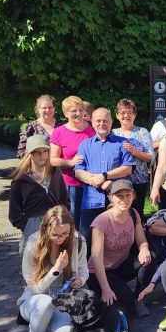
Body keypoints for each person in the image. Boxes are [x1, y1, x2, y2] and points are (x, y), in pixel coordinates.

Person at [17, 206, 88, 332]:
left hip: (63, 298)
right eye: (55, 234)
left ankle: (50, 329)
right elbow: (34, 288)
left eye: (65, 233)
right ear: (45, 229)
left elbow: (83, 268)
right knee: (45, 303)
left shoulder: (78, 241)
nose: (60, 239)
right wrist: (56, 270)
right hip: (36, 299)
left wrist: (80, 280)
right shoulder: (33, 243)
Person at [86, 180, 155, 318]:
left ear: (133, 196)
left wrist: (144, 248)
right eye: (119, 196)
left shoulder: (133, 214)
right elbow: (96, 258)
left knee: (150, 258)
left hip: (121, 266)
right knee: (126, 306)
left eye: (128, 195)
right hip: (101, 272)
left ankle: (139, 297)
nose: (124, 200)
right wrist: (105, 288)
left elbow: (141, 240)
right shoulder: (101, 222)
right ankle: (128, 299)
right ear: (111, 197)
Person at [74, 108, 135, 244]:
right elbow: (78, 172)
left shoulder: (122, 143)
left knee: (115, 239)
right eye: (98, 121)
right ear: (92, 122)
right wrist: (100, 183)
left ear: (111, 122)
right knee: (87, 239)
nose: (102, 124)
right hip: (91, 200)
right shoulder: (85, 145)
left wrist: (105, 175)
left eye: (105, 121)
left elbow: (128, 168)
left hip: (116, 200)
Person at [10, 135, 70, 254]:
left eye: (45, 151)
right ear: (28, 154)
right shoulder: (20, 179)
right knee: (33, 260)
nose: (42, 155)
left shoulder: (55, 172)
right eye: (37, 152)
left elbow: (65, 200)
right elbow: (14, 213)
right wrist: (26, 225)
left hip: (56, 224)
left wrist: (62, 219)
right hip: (33, 226)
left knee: (58, 259)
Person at [50, 96, 95, 226]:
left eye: (81, 110)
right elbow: (52, 160)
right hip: (71, 185)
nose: (78, 113)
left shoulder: (93, 129)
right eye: (73, 111)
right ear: (66, 113)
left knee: (90, 222)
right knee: (72, 219)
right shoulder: (58, 132)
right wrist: (70, 162)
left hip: (92, 183)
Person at [112, 99, 153, 218]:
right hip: (118, 181)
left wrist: (134, 151)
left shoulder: (142, 132)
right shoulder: (112, 133)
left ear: (134, 115)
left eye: (130, 112)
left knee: (136, 214)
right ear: (117, 115)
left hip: (138, 182)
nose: (126, 115)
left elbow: (150, 157)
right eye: (123, 112)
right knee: (118, 213)